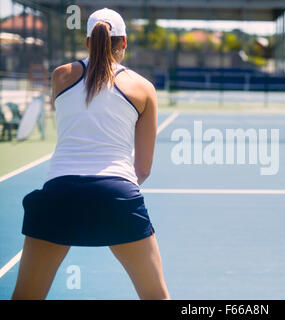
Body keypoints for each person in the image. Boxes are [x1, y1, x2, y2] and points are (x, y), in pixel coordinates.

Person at [11, 8, 170, 300]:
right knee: (155, 296)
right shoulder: (143, 88)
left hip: (58, 194)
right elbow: (143, 168)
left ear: (87, 42)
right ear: (123, 43)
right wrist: (111, 201)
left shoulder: (60, 76)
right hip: (117, 193)